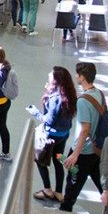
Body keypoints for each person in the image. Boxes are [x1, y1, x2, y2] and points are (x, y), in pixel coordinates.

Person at [60, 62, 105, 213]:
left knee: (72, 186)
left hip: (83, 152)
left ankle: (64, 211)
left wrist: (75, 154)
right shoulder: (99, 94)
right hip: (96, 150)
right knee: (102, 183)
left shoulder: (83, 101)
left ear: (82, 78)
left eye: (77, 74)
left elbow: (84, 130)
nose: (76, 76)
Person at [32, 66, 77, 203]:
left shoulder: (55, 98)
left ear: (56, 80)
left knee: (40, 160)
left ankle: (47, 189)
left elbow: (49, 120)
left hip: (51, 136)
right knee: (58, 160)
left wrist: (36, 112)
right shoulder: (69, 94)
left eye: (51, 74)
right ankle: (58, 192)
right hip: (63, 134)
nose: (49, 74)